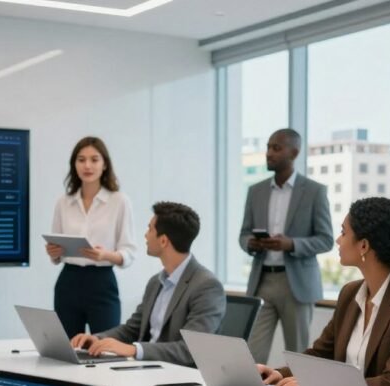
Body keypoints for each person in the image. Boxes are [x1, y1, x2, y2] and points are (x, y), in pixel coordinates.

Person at [257, 197, 390, 386]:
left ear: (364, 245)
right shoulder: (350, 293)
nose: (338, 240)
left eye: (343, 233)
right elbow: (320, 354)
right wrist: (279, 373)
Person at [70, 202, 225, 367]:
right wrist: (97, 339)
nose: (145, 235)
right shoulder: (156, 282)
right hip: (146, 368)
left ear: (163, 241)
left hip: (176, 373)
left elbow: (190, 350)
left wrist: (134, 350)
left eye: (150, 229)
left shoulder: (206, 286)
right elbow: (133, 329)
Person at [239, 128, 334, 363]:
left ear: (294, 152)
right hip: (262, 280)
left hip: (297, 284)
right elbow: (243, 234)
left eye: (276, 148)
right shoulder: (255, 191)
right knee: (252, 355)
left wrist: (290, 244)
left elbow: (326, 239)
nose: (269, 153)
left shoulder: (314, 191)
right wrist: (252, 243)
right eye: (268, 147)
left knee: (298, 354)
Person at [46, 137, 136, 338]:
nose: (87, 165)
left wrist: (105, 255)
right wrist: (53, 252)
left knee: (105, 347)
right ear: (74, 164)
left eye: (94, 160)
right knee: (66, 349)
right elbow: (55, 253)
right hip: (68, 281)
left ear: (105, 165)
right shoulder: (63, 202)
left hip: (102, 283)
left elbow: (129, 252)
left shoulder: (119, 201)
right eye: (81, 160)